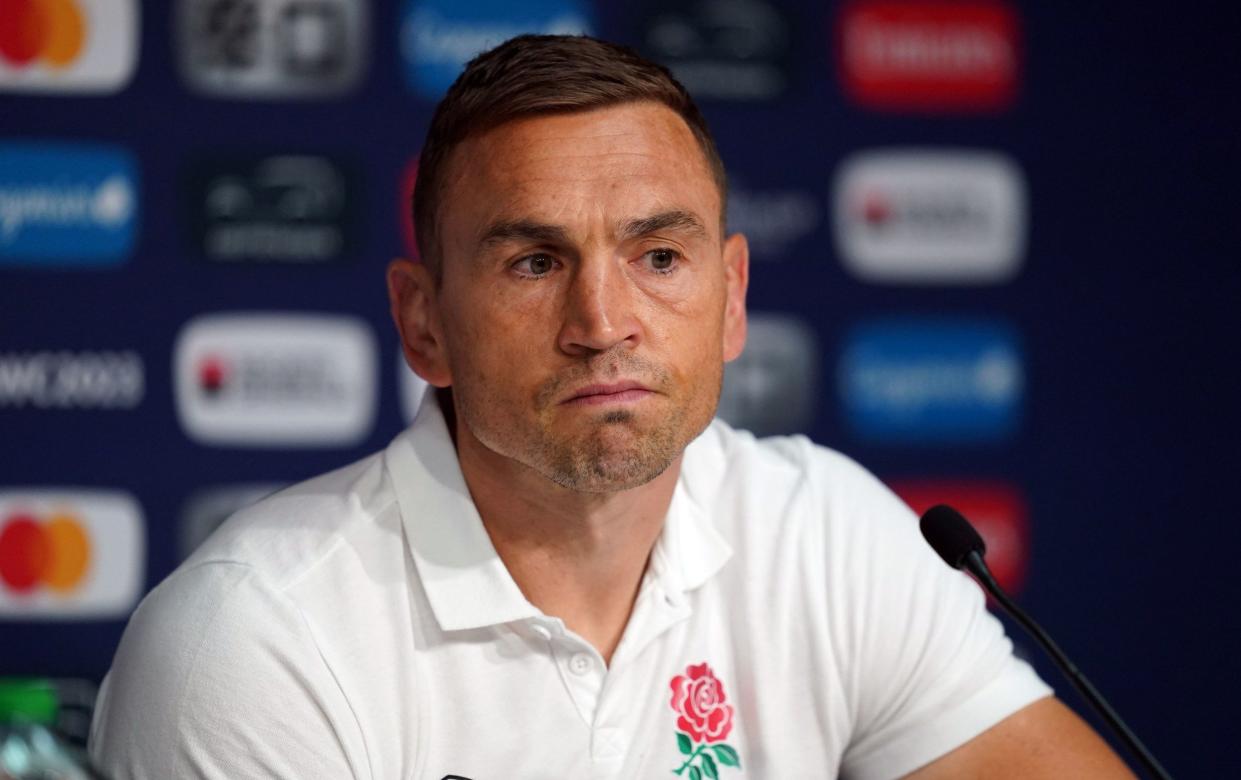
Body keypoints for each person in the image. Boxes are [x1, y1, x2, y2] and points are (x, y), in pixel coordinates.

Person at [89, 35, 1133, 779]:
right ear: (423, 324)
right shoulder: (253, 640)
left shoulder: (829, 536)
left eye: (659, 256)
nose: (603, 319)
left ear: (729, 300)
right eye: (534, 261)